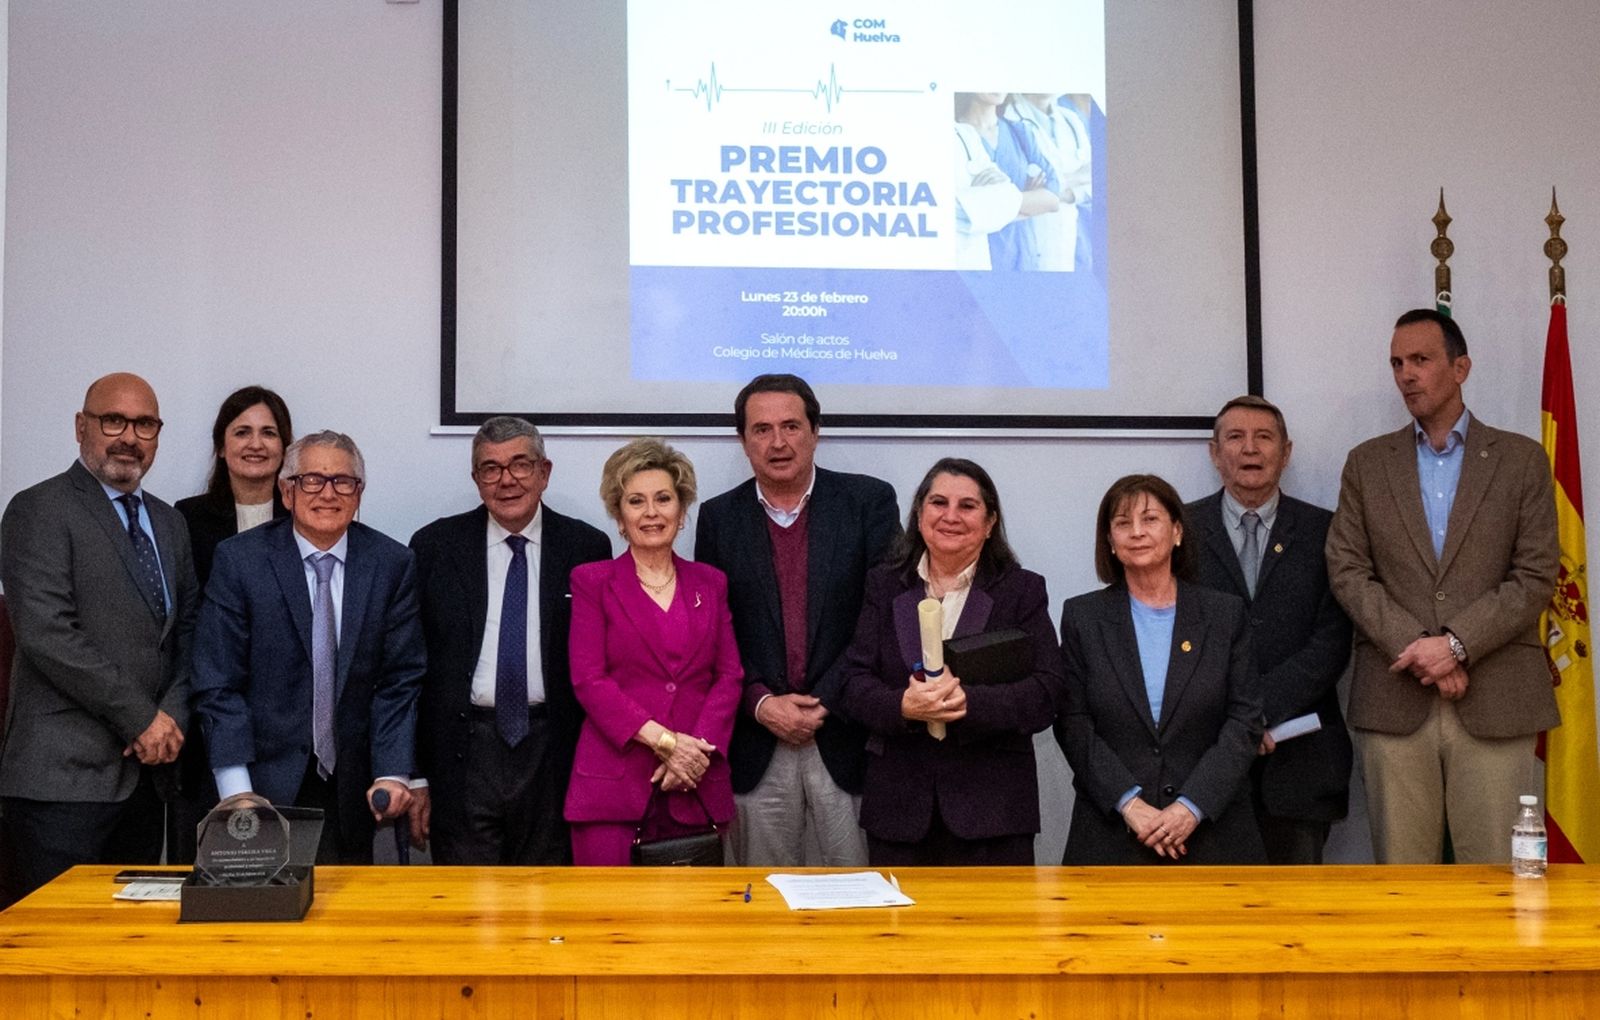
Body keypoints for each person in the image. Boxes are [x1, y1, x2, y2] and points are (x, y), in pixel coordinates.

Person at [1325, 309, 1558, 864]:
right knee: (1403, 886)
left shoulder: (1521, 459)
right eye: (1396, 363)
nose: (1406, 374)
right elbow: (1347, 568)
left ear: (1461, 368)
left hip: (1497, 697)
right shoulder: (1367, 463)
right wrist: (1422, 648)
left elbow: (1535, 575)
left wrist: (1455, 645)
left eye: (1421, 360)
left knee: (1498, 883)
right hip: (1396, 698)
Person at [0, 373, 198, 907]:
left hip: (147, 776)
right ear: (81, 426)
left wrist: (169, 718)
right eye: (113, 420)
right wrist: (140, 717)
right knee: (57, 955)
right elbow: (47, 633)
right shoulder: (38, 508)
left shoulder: (169, 522)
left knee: (128, 954)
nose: (129, 437)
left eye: (145, 424)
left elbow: (187, 632)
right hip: (62, 783)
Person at [192, 430, 424, 863]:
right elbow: (218, 682)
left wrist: (392, 771)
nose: (328, 493)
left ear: (359, 494)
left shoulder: (391, 564)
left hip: (354, 789)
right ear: (287, 491)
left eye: (343, 481)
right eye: (312, 480)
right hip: (256, 785)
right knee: (262, 923)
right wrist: (237, 791)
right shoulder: (240, 561)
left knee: (343, 921)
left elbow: (400, 678)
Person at [695, 375, 899, 867]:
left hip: (845, 732)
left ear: (815, 431)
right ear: (743, 441)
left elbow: (884, 616)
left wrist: (822, 700)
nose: (778, 442)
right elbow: (715, 632)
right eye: (761, 429)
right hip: (756, 741)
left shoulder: (868, 503)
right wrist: (761, 703)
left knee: (857, 898)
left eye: (791, 426)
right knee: (762, 908)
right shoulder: (718, 517)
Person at [839, 458, 1062, 866]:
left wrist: (967, 703)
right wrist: (902, 707)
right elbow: (854, 684)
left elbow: (1046, 693)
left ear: (991, 521)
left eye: (968, 506)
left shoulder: (1022, 591)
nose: (951, 516)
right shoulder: (883, 585)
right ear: (920, 514)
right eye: (938, 502)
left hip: (994, 817)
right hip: (898, 815)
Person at [408, 417, 611, 864]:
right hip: (464, 755)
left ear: (545, 472)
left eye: (520, 464)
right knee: (467, 908)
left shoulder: (586, 548)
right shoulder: (434, 547)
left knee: (548, 904)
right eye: (491, 468)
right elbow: (411, 670)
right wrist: (416, 774)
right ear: (476, 479)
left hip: (552, 752)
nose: (507, 480)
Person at [1057, 474, 1265, 865]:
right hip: (1113, 835)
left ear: (1178, 532)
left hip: (1213, 835)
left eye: (1150, 519)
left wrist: (1191, 806)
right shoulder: (1083, 617)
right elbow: (1073, 723)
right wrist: (1130, 805)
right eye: (1122, 523)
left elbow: (1245, 720)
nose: (1137, 532)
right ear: (1110, 543)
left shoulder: (1224, 615)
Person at [1185, 395, 1353, 864]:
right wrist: (1236, 720)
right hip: (1203, 761)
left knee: (1297, 920)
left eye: (1264, 437)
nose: (1250, 449)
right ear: (1215, 453)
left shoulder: (1329, 531)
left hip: (1300, 763)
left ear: (1287, 451)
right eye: (1235, 437)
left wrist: (1254, 713)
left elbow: (1333, 640)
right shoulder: (1181, 530)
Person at [564, 439, 743, 865]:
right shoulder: (592, 581)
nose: (651, 513)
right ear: (620, 516)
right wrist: (666, 743)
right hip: (614, 789)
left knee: (697, 923)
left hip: (695, 782)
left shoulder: (710, 582)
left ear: (682, 512)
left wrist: (694, 753)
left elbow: (730, 675)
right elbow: (589, 679)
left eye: (663, 499)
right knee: (611, 924)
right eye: (636, 501)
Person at [168, 384, 293, 864]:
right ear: (222, 445)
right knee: (211, 866)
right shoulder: (187, 518)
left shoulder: (308, 517)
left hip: (284, 720)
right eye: (241, 432)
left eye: (269, 432)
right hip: (206, 718)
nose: (255, 444)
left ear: (286, 447)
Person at [953, 92, 1060, 271]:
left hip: (1023, 252)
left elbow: (1053, 199)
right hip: (980, 253)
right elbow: (961, 210)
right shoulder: (959, 137)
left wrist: (991, 203)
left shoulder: (1020, 132)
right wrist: (1029, 200)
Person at [1009, 93, 1094, 273]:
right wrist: (1077, 176)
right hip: (1027, 231)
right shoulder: (1010, 116)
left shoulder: (1071, 119)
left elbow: (1094, 179)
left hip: (1067, 234)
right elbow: (1018, 184)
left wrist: (1062, 193)